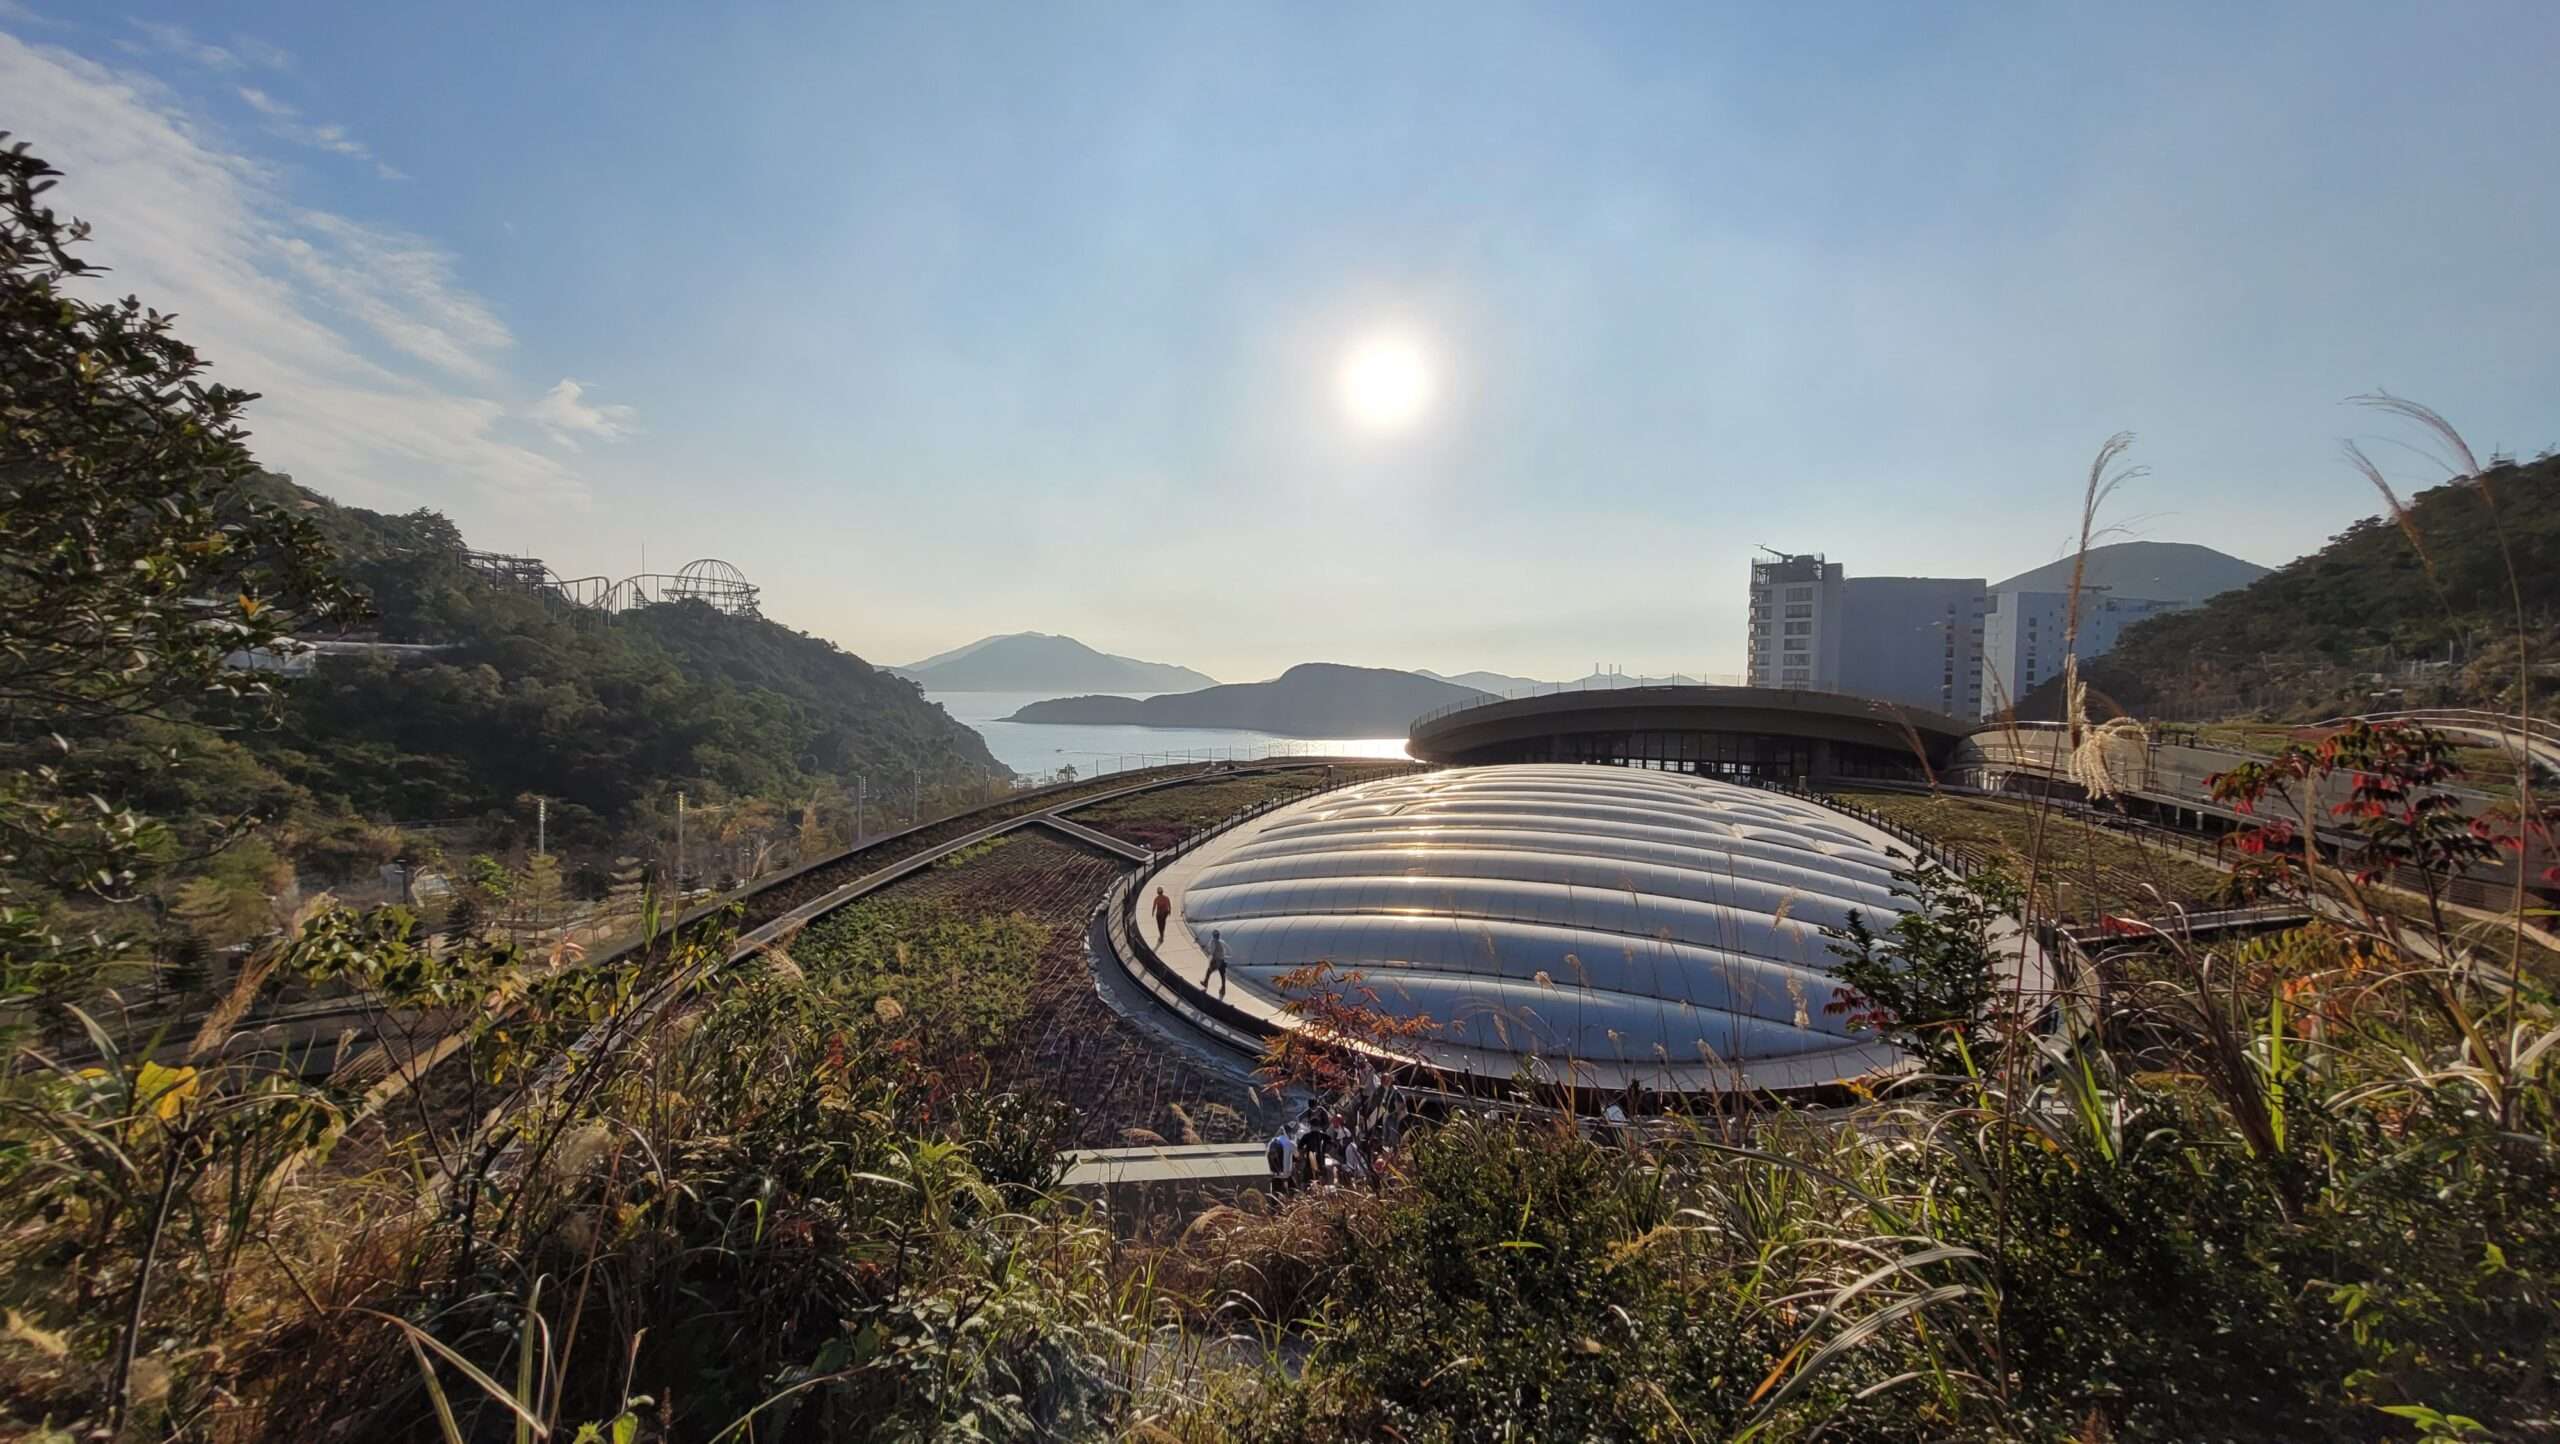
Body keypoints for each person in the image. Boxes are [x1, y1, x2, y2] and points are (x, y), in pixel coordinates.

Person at [1265, 1126, 1298, 1196]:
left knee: (1275, 1197)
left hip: (1275, 1174)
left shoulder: (1272, 1142)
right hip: (1287, 1175)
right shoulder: (1290, 1143)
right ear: (1288, 1133)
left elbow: (1267, 1155)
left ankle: (1274, 1206)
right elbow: (1297, 1155)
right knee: (1294, 1193)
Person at [1204, 928, 1231, 996]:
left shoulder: (1214, 941)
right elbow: (1227, 950)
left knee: (1209, 971)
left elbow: (1212, 951)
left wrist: (1209, 953)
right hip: (1222, 961)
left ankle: (1205, 982)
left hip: (1216, 960)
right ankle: (1223, 989)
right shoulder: (1221, 941)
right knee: (1222, 976)